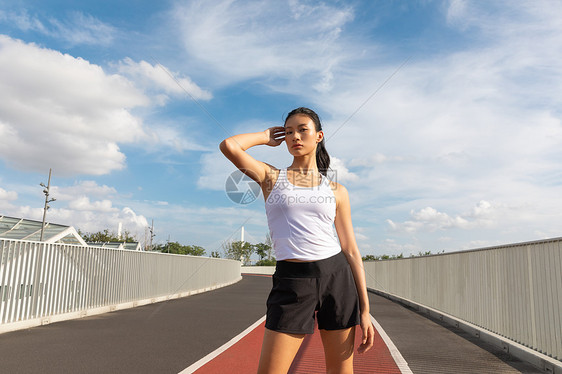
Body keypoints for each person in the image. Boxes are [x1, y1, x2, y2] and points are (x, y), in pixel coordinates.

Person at [220, 107, 375, 373]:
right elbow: (229, 146)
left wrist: (365, 308)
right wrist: (265, 136)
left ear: (319, 136)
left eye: (303, 130)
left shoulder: (336, 190)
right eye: (289, 132)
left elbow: (350, 249)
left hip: (336, 278)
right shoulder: (270, 177)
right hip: (291, 281)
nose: (295, 137)